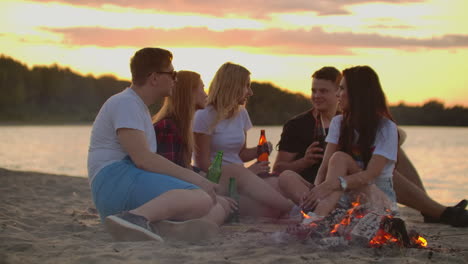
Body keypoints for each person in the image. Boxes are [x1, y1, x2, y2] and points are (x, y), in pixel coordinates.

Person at [275, 66, 468, 227]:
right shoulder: (301, 124)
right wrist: (307, 164)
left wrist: (388, 143)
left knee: (389, 163)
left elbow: (378, 161)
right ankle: (434, 210)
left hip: (356, 182)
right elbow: (282, 168)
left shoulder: (371, 124)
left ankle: (433, 209)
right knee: (289, 177)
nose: (317, 96)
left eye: (325, 90)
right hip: (325, 183)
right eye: (313, 91)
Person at [87, 48, 232, 243]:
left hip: (124, 182)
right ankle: (134, 218)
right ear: (154, 78)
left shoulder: (137, 106)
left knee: (207, 201)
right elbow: (144, 159)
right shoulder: (125, 103)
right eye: (172, 74)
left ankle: (161, 227)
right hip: (114, 181)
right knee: (201, 197)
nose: (175, 79)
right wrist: (199, 180)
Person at [155, 70, 294, 218]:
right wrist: (244, 174)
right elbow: (173, 172)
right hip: (210, 179)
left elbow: (185, 167)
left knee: (280, 184)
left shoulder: (183, 125)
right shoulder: (172, 125)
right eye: (202, 89)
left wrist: (259, 151)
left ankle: (298, 211)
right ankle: (295, 211)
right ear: (189, 94)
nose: (206, 93)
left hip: (220, 178)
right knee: (242, 180)